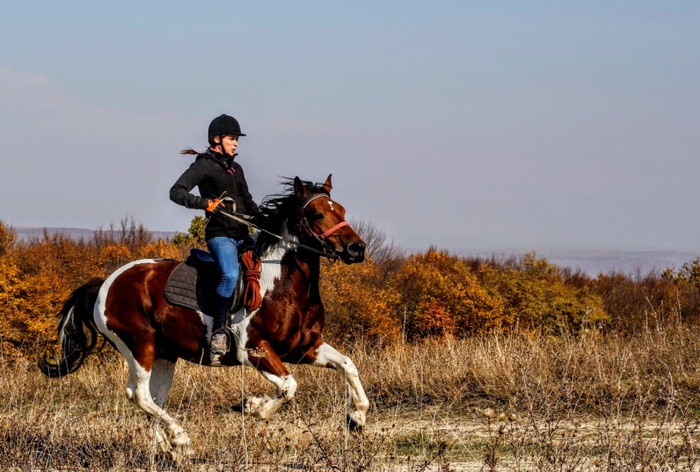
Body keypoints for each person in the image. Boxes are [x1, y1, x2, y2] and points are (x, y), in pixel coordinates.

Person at [170, 114, 263, 355]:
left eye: (236, 139)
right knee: (231, 275)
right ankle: (218, 331)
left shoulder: (236, 168)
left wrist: (265, 219)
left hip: (242, 233)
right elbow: (176, 192)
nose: (236, 143)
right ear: (217, 139)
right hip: (220, 234)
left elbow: (247, 201)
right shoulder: (203, 165)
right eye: (232, 138)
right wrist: (204, 203)